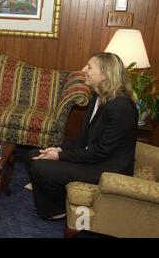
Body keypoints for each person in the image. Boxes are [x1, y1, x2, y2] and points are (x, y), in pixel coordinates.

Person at [21, 52, 138, 220]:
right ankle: (52, 207)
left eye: (89, 67)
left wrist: (59, 156)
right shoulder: (97, 98)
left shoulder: (121, 107)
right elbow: (82, 139)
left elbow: (101, 152)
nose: (84, 70)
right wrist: (58, 148)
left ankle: (58, 208)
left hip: (108, 167)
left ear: (104, 74)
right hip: (95, 157)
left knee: (41, 166)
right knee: (34, 155)